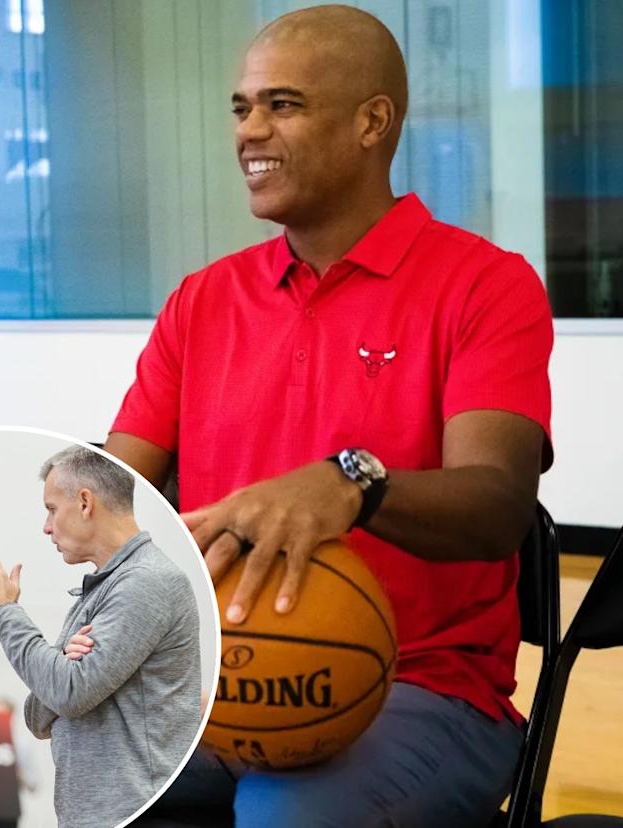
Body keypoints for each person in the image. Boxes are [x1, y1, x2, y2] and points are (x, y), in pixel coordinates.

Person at [105, 6, 553, 827]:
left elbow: (498, 505)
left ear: (371, 122)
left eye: (284, 104)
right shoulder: (201, 301)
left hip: (417, 686)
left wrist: (356, 483)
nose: (251, 131)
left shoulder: (487, 286)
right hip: (210, 678)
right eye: (241, 107)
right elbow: (109, 494)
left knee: (286, 813)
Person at [0, 446, 201, 828]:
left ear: (84, 502)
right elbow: (36, 716)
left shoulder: (147, 582)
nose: (46, 526)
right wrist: (61, 658)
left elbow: (67, 693)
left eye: (51, 508)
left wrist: (3, 612)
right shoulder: (102, 589)